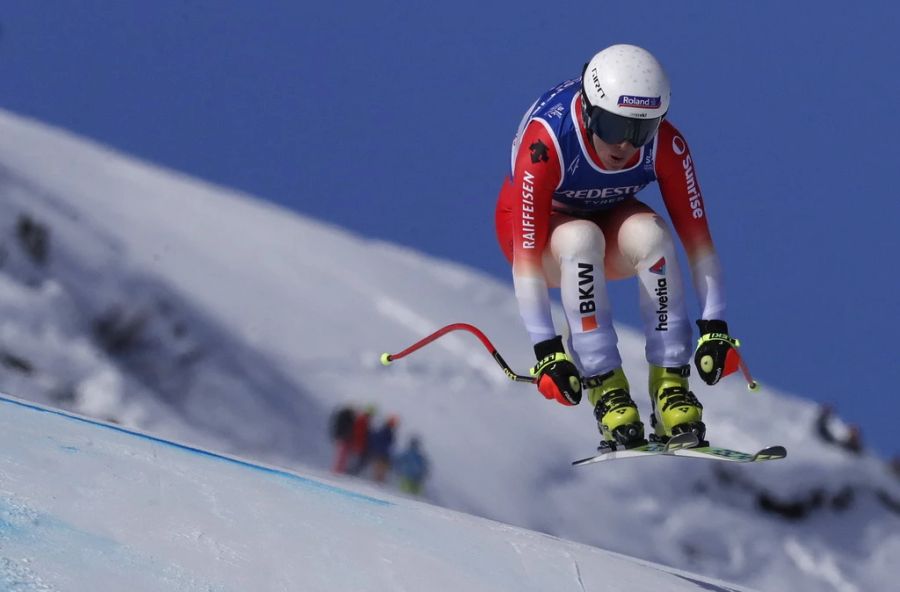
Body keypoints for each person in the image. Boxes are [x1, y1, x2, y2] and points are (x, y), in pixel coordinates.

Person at [495, 44, 742, 449]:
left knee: (654, 236)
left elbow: (699, 242)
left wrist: (715, 326)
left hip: (608, 218)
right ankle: (606, 389)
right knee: (579, 238)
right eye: (613, 126)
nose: (626, 145)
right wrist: (547, 350)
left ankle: (670, 388)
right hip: (541, 235)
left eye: (640, 129)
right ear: (590, 111)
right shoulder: (549, 140)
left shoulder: (667, 145)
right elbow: (526, 258)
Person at [368, 415, 399, 483]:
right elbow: (387, 443)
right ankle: (377, 482)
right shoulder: (387, 431)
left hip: (380, 452)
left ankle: (377, 481)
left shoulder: (384, 430)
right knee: (380, 469)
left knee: (379, 468)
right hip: (382, 453)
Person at [346, 405, 375, 475]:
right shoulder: (362, 420)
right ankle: (348, 473)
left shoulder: (365, 421)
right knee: (353, 460)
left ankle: (350, 473)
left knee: (354, 461)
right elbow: (358, 433)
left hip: (359, 445)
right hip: (357, 444)